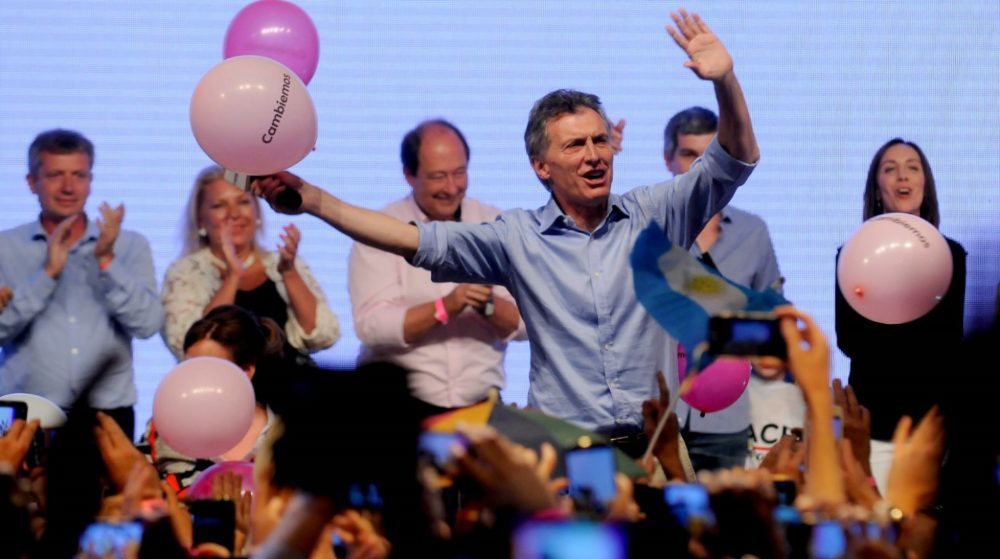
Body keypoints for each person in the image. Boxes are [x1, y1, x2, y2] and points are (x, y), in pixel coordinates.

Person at [256, 10, 759, 441]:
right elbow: (408, 237)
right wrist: (315, 201)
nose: (594, 155)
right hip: (565, 450)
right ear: (541, 167)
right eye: (575, 145)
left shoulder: (656, 214)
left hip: (656, 447)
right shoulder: (516, 237)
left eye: (600, 140)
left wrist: (726, 81)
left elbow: (735, 159)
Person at [348, 119, 526, 410]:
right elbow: (371, 327)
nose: (452, 187)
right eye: (438, 176)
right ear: (409, 174)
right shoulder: (381, 229)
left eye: (460, 173)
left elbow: (530, 321)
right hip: (397, 406)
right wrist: (445, 307)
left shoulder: (495, 224)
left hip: (481, 405)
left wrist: (489, 305)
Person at [0, 129, 163, 439]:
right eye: (55, 175)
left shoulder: (129, 245)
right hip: (26, 413)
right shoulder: (5, 248)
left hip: (108, 413)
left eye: (78, 175)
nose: (68, 187)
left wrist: (107, 261)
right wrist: (47, 275)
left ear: (90, 181)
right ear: (31, 182)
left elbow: (148, 325)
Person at [835, 137, 966, 492]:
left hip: (930, 429)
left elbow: (948, 342)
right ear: (877, 189)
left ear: (925, 184)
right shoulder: (851, 255)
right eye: (890, 169)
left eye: (913, 167)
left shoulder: (951, 256)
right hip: (872, 424)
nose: (902, 176)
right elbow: (849, 340)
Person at [662, 106, 783, 471]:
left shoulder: (753, 233)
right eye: (689, 155)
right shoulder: (648, 229)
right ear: (668, 159)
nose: (701, 167)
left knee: (725, 509)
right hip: (659, 414)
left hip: (726, 418)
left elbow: (774, 322)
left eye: (709, 156)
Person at [160, 166, 339, 362]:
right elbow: (191, 349)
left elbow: (322, 336)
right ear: (201, 219)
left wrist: (289, 272)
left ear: (257, 212)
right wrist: (233, 276)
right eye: (219, 206)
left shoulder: (282, 262)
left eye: (243, 202)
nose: (234, 214)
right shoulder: (184, 273)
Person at [147, 305, 288, 493]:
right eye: (190, 367)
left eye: (211, 368)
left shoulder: (285, 437)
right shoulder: (165, 427)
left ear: (247, 370)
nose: (196, 379)